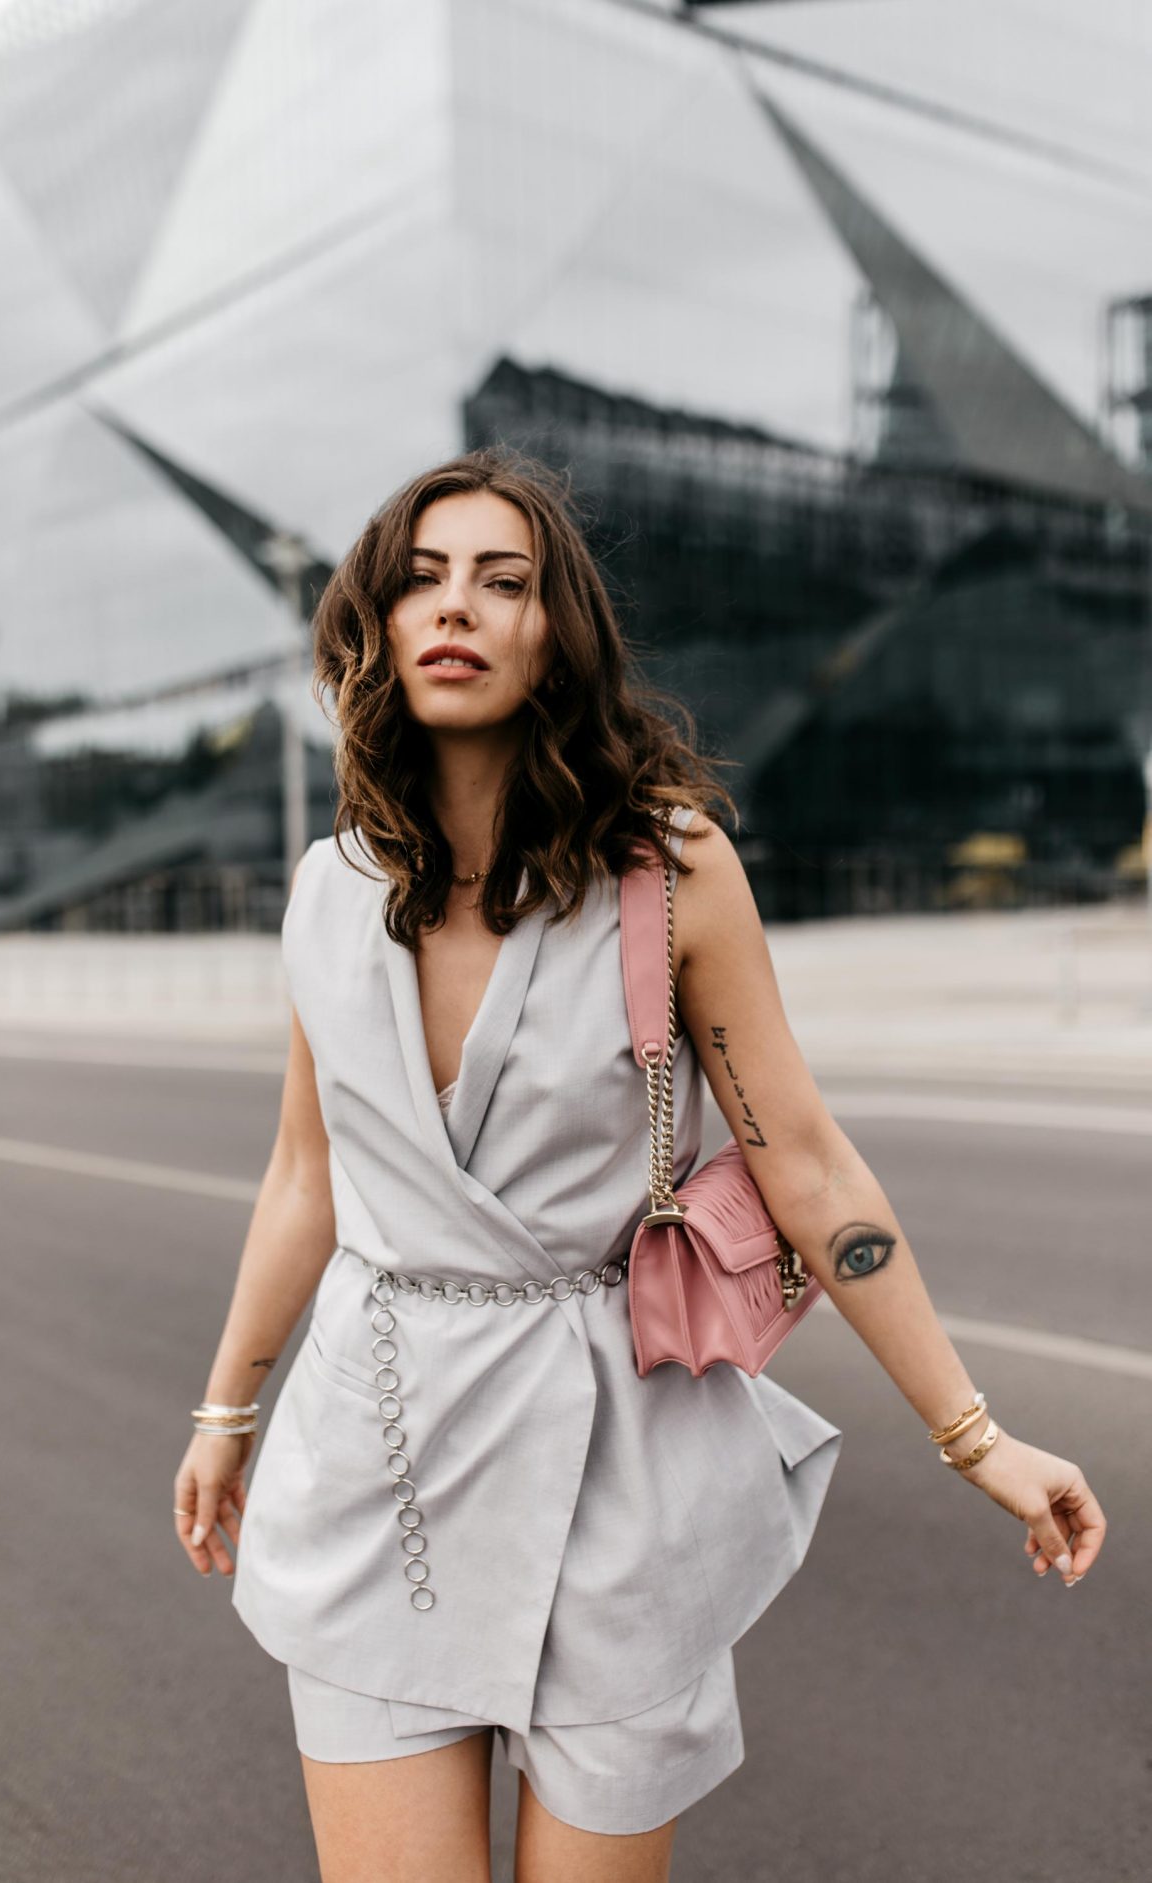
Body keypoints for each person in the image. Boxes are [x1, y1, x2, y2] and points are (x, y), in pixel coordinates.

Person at [173, 446, 1107, 1883]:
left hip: (613, 1472)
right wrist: (226, 1416)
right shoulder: (328, 888)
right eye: (422, 579)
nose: (457, 607)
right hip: (386, 1467)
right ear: (375, 622)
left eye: (505, 580)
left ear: (558, 633)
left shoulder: (668, 870)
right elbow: (308, 1178)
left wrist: (975, 1436)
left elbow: (806, 1165)